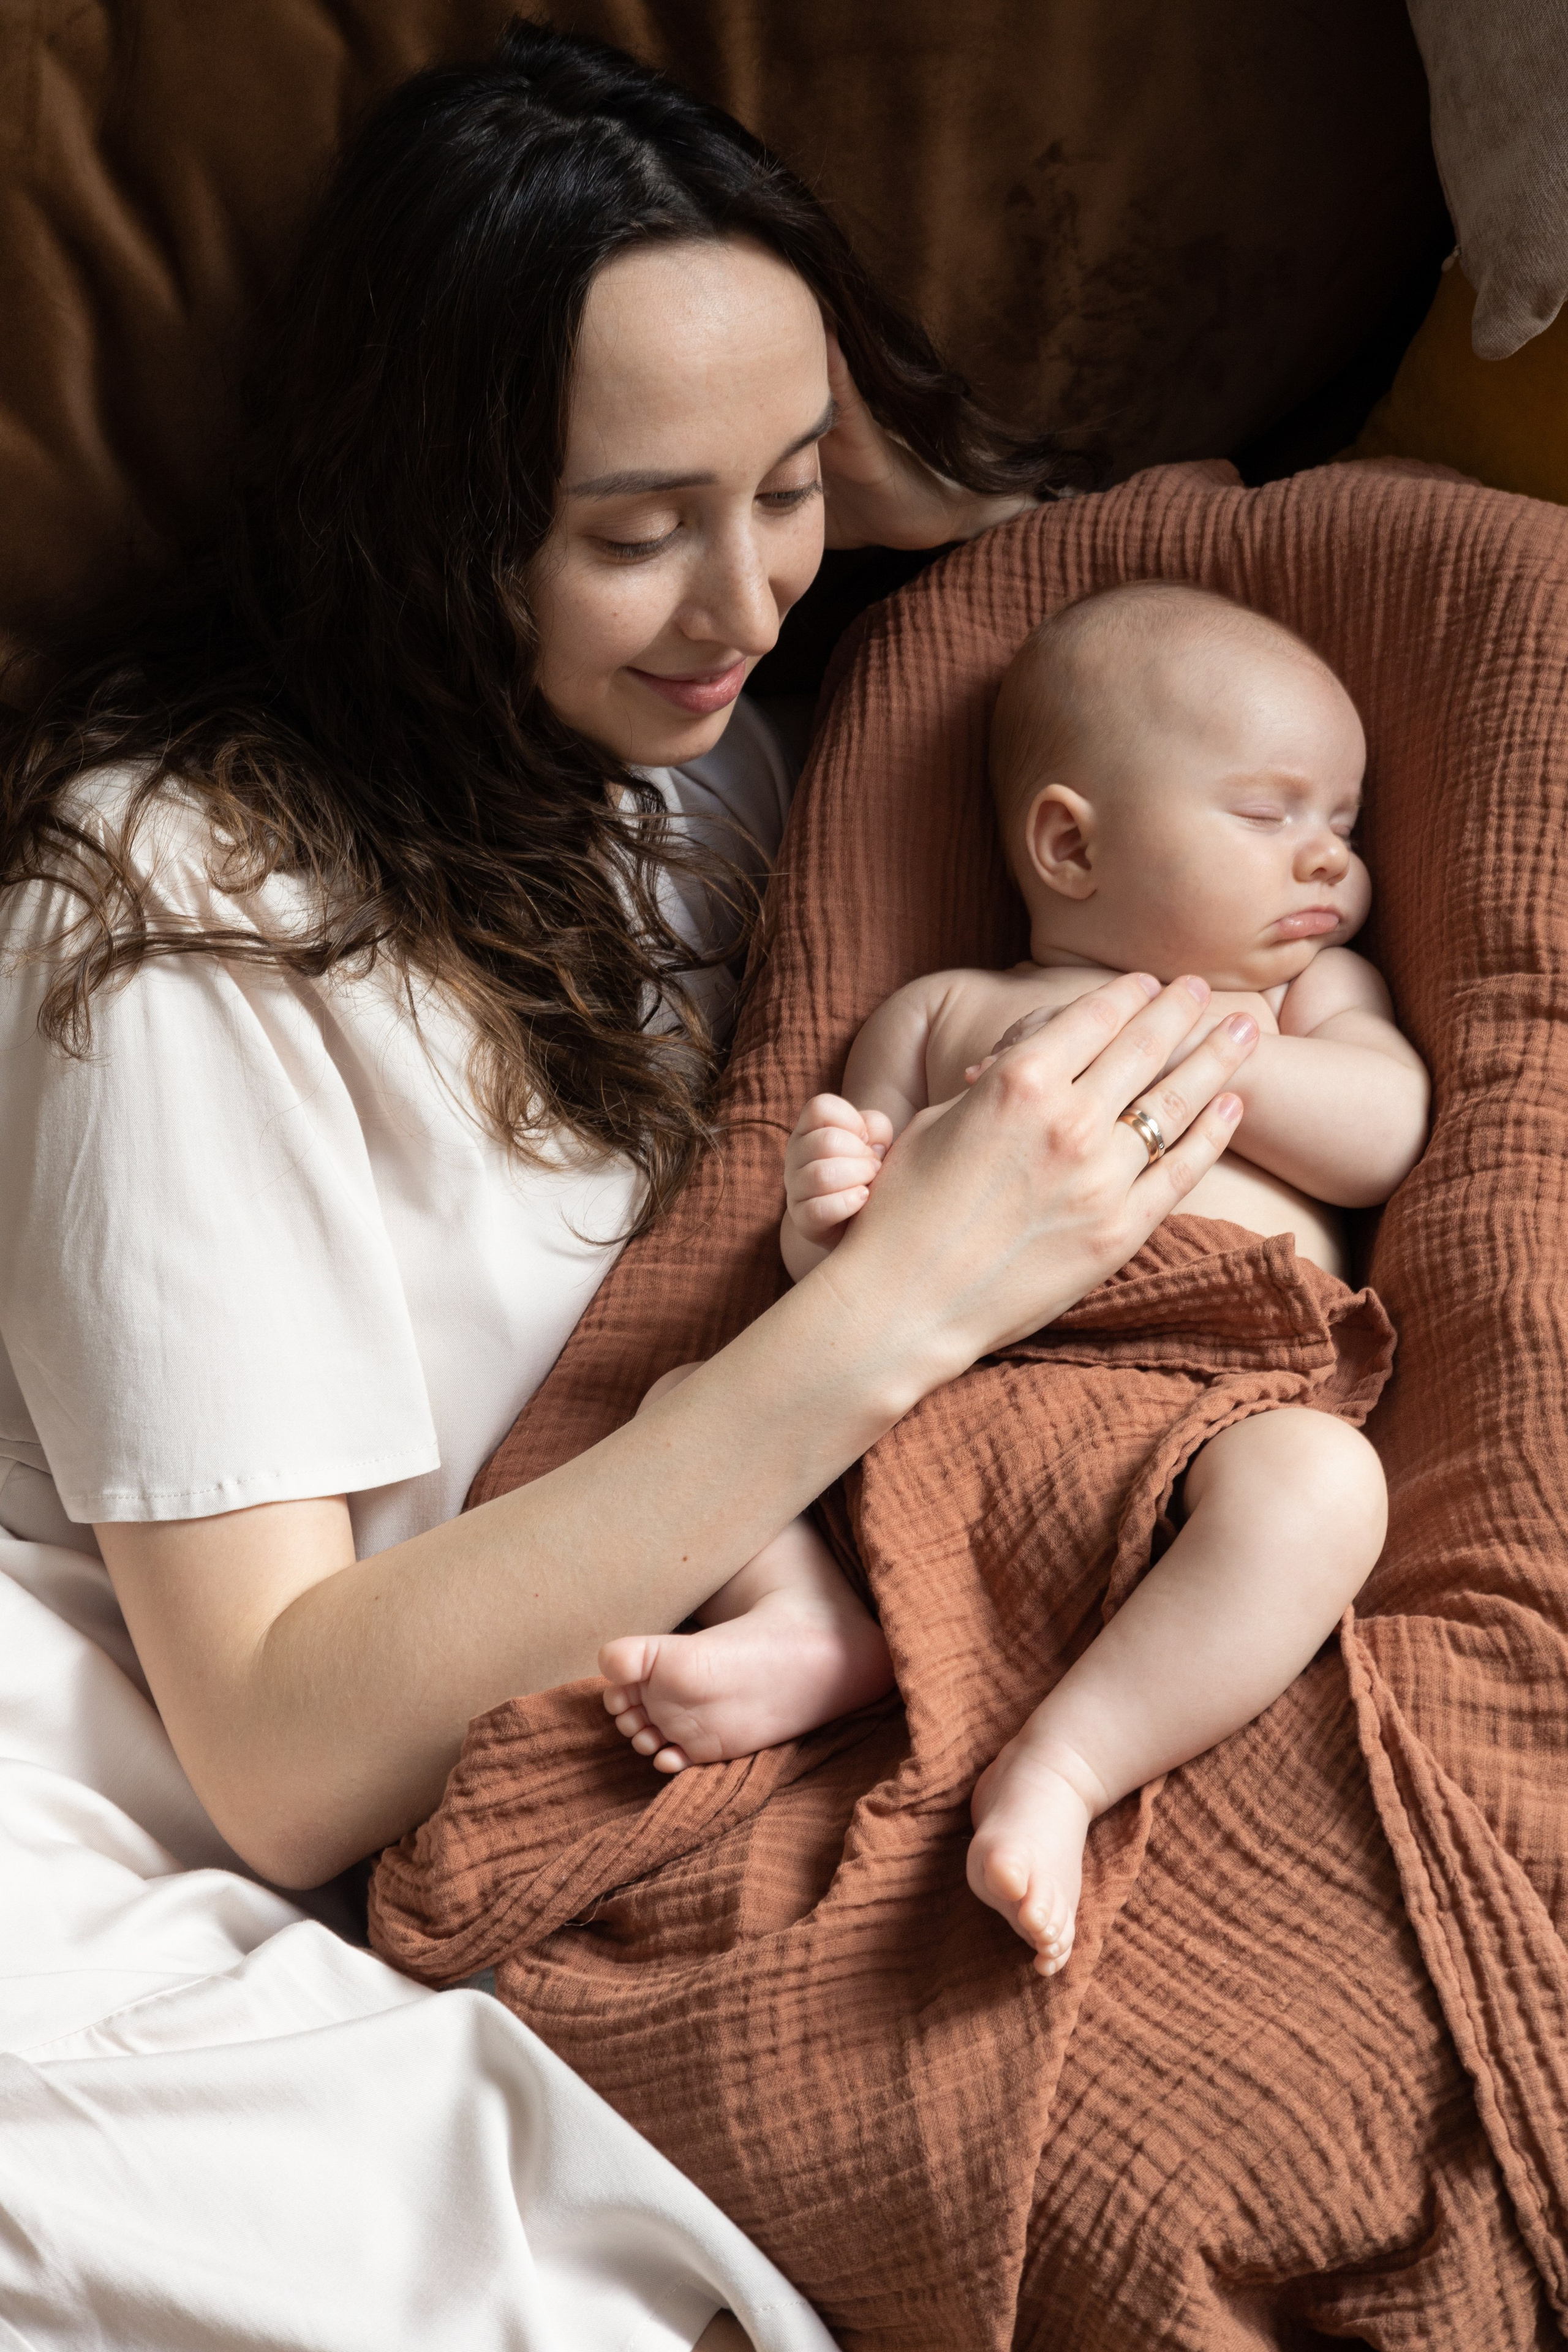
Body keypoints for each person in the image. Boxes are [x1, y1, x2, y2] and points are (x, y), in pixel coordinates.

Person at [0, 23, 1254, 1908]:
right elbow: (275, 1754)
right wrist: (909, 1290)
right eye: (637, 528)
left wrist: (917, 496)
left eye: (789, 489)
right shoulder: (158, 915)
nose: (746, 605)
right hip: (189, 1851)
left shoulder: (690, 757)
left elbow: (1138, 637)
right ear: (423, 517)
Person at [598, 582, 1430, 1978]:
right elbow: (836, 1290)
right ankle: (810, 1622)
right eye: (1268, 814)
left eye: (1339, 827)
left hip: (1192, 1415)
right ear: (1066, 842)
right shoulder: (940, 1012)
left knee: (1323, 1492)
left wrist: (1220, 1059)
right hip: (946, 1394)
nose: (1327, 868)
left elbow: (1384, 1133)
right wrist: (827, 1213)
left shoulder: (1290, 1007)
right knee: (686, 1400)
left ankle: (1063, 1766)